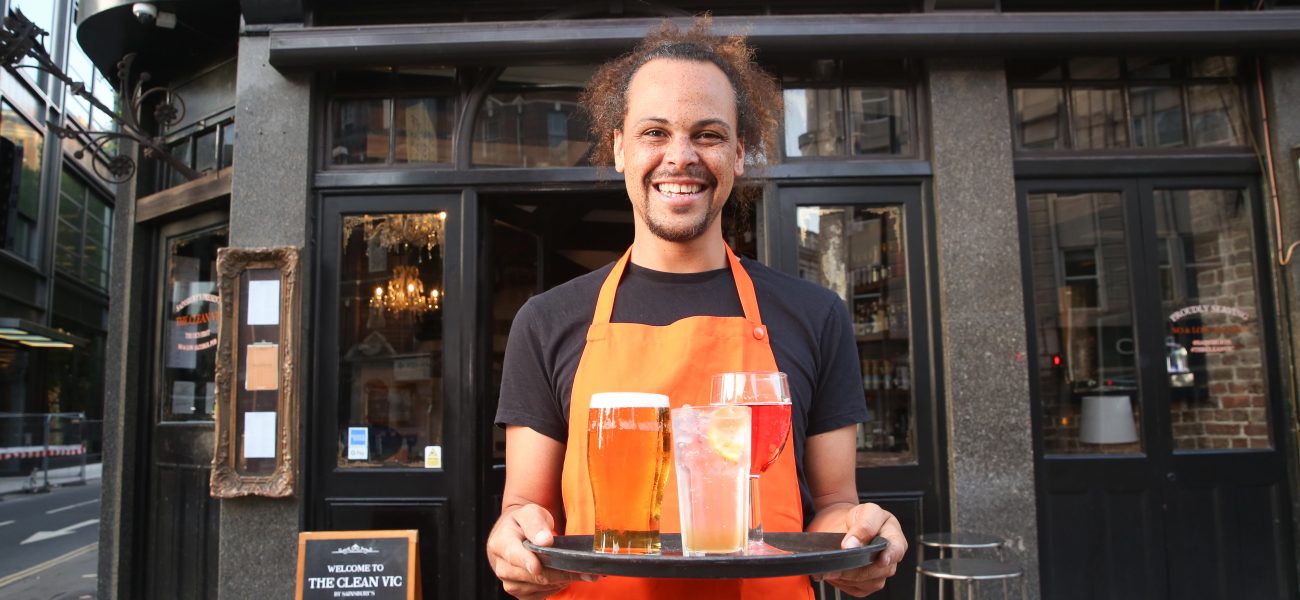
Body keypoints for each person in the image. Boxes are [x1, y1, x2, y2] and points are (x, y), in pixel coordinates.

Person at [486, 18, 907, 600]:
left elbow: (834, 508)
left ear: (738, 152)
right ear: (618, 149)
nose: (680, 157)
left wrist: (862, 537)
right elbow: (525, 509)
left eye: (707, 134)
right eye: (654, 132)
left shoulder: (816, 315)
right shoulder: (547, 320)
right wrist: (512, 546)